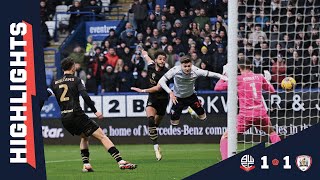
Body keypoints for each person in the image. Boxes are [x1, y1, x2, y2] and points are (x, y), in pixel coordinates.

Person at [46, 58, 137, 171]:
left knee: (84, 136)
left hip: (65, 118)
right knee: (102, 136)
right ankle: (121, 161)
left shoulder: (55, 82)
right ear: (73, 67)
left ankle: (86, 165)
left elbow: (44, 95)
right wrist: (95, 111)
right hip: (77, 114)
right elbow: (85, 96)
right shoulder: (77, 80)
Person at [214, 58, 281, 160]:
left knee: (226, 137)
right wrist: (267, 80)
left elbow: (217, 88)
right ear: (251, 66)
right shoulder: (259, 77)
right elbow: (272, 90)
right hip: (261, 113)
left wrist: (224, 74)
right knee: (272, 132)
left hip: (246, 115)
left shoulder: (238, 79)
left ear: (238, 67)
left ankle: (225, 161)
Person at [157, 56, 227, 126]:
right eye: (185, 66)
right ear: (181, 65)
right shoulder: (175, 70)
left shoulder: (196, 70)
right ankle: (190, 110)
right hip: (178, 98)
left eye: (189, 66)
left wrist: (227, 79)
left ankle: (192, 110)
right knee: (174, 123)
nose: (187, 68)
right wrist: (170, 92)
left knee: (203, 117)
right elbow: (161, 81)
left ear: (191, 65)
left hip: (191, 96)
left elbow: (213, 74)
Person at [130, 50, 169, 161]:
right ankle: (156, 148)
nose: (162, 61)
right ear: (156, 60)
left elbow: (157, 88)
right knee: (150, 121)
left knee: (155, 126)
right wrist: (144, 53)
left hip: (163, 100)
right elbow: (147, 58)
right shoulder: (151, 66)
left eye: (164, 59)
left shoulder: (166, 73)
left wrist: (143, 90)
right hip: (152, 99)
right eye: (160, 59)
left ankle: (155, 141)